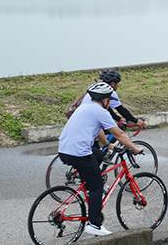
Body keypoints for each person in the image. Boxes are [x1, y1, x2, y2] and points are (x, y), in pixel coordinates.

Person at [58, 82, 144, 236]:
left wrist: (109, 147)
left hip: (64, 150)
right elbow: (119, 134)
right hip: (79, 152)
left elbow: (99, 133)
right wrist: (134, 148)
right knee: (96, 186)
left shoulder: (85, 107)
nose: (109, 103)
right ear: (104, 100)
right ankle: (94, 224)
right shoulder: (100, 111)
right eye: (108, 100)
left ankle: (91, 191)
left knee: (98, 155)